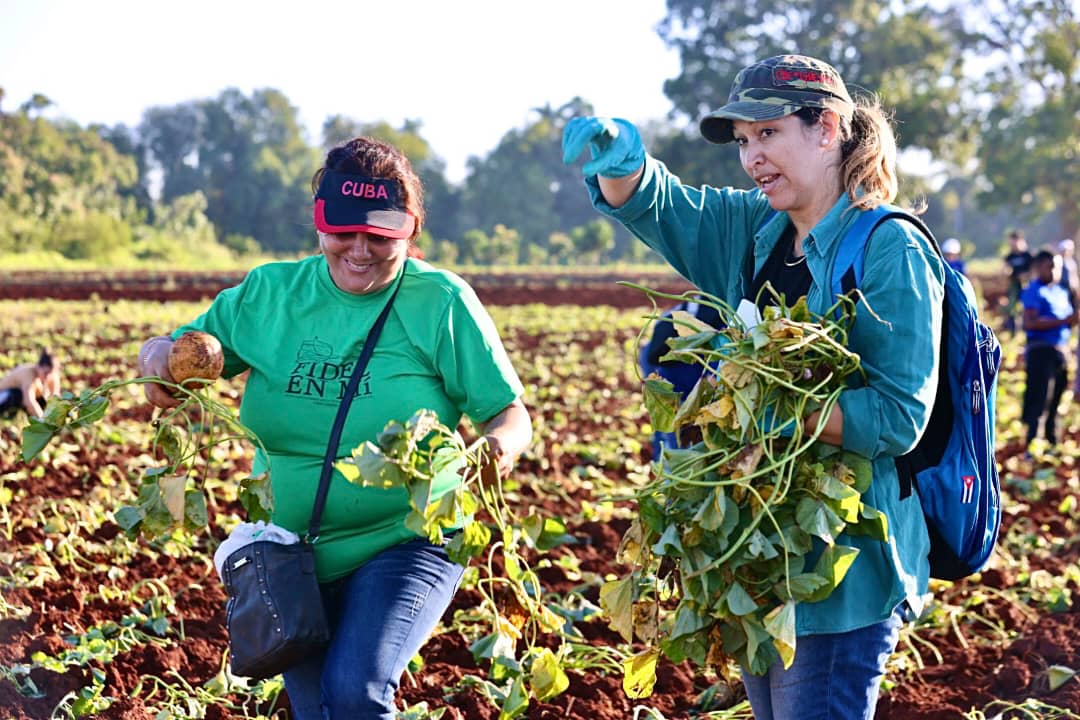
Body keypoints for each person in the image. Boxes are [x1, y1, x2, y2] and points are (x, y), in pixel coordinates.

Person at [563, 54, 943, 720]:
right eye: (743, 142)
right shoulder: (756, 231)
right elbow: (662, 207)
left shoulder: (889, 248)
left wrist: (774, 409)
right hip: (761, 558)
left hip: (841, 568)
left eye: (767, 134)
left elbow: (896, 415)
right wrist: (621, 165)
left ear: (827, 128)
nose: (751, 157)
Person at [136, 136, 532, 719]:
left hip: (406, 540)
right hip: (289, 559)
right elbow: (167, 370)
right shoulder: (270, 294)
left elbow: (511, 415)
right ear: (320, 221)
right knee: (319, 709)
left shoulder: (440, 302)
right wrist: (156, 357)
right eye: (344, 231)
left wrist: (494, 450)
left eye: (381, 236)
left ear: (410, 230)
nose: (361, 249)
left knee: (354, 693)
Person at [639, 299, 722, 459]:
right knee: (676, 442)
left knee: (671, 439)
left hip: (669, 357)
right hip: (674, 369)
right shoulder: (721, 324)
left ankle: (667, 467)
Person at [1019, 249, 1077, 453]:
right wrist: (1063, 321)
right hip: (1041, 351)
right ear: (1038, 268)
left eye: (1058, 267)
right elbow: (1030, 322)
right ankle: (1031, 445)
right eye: (1050, 267)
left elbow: (1067, 321)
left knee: (1056, 400)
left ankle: (1052, 444)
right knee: (1040, 399)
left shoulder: (1061, 292)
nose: (1055, 271)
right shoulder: (1034, 290)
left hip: (1060, 351)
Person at [0, 349, 61, 419]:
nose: (47, 377)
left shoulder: (52, 376)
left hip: (22, 400)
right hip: (5, 395)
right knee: (18, 394)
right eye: (45, 373)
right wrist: (42, 421)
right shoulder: (28, 373)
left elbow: (55, 397)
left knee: (43, 402)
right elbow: (29, 402)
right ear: (38, 367)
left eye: (50, 374)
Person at [1002, 229, 1033, 334]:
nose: (1012, 244)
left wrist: (1026, 275)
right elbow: (1005, 270)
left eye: (1014, 241)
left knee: (1027, 308)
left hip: (1027, 286)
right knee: (1012, 309)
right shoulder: (1009, 256)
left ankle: (1027, 330)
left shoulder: (1028, 255)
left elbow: (1034, 270)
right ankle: (1013, 331)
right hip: (1014, 286)